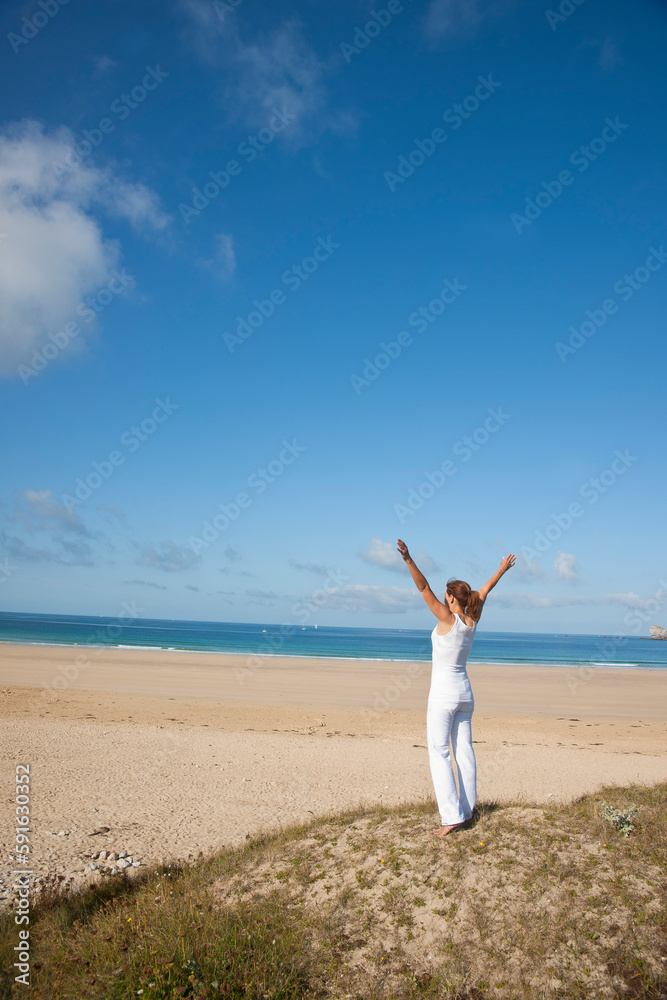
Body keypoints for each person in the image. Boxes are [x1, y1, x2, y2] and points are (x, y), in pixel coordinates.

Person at [397, 539, 515, 837]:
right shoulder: (472, 619)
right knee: (464, 751)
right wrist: (501, 570)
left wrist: (409, 559)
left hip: (443, 696)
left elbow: (423, 588)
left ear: (451, 597)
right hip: (465, 695)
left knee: (440, 753)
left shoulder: (447, 618)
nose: (443, 597)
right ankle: (467, 809)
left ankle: (451, 817)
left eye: (446, 594)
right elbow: (485, 590)